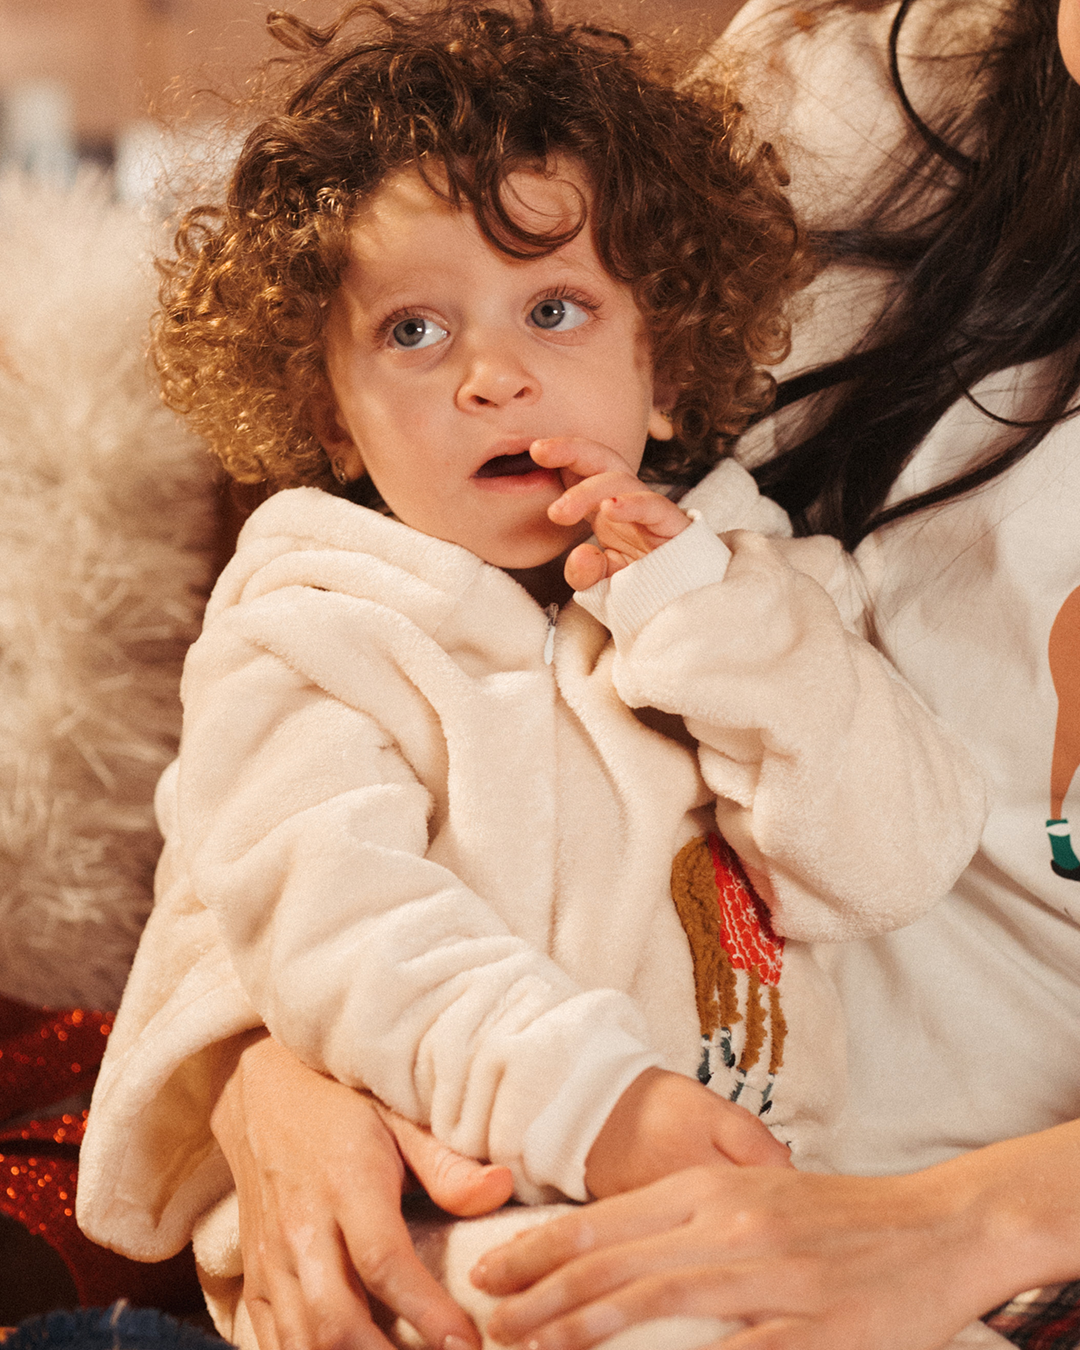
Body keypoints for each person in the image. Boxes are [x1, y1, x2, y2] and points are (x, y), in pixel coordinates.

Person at [73, 2, 989, 1348]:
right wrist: (599, 1107)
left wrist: (702, 614)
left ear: (662, 368)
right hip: (435, 1209)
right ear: (331, 413)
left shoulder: (759, 586)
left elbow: (895, 858)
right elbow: (336, 924)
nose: (494, 377)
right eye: (414, 332)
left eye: (554, 310)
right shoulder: (311, 623)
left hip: (752, 1207)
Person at [455, 0, 1080, 1347]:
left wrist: (963, 1224)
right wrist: (277, 1044)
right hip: (562, 1110)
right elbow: (395, 570)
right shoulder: (857, 93)